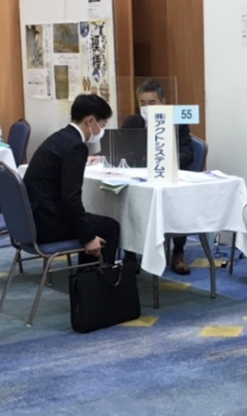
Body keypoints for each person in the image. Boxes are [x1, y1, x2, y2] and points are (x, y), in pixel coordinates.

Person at [25, 94, 121, 266]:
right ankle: (97, 278)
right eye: (102, 125)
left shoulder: (60, 137)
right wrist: (88, 237)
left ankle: (87, 273)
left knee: (89, 220)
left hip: (31, 219)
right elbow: (71, 198)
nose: (102, 131)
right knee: (110, 227)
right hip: (47, 224)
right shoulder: (76, 147)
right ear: (90, 121)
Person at [123, 79, 196, 274]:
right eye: (142, 103)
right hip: (140, 178)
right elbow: (122, 150)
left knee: (178, 201)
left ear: (163, 102)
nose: (146, 107)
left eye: (151, 102)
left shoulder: (177, 121)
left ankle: (178, 252)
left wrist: (166, 160)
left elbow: (188, 153)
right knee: (125, 198)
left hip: (168, 178)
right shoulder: (133, 122)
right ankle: (129, 254)